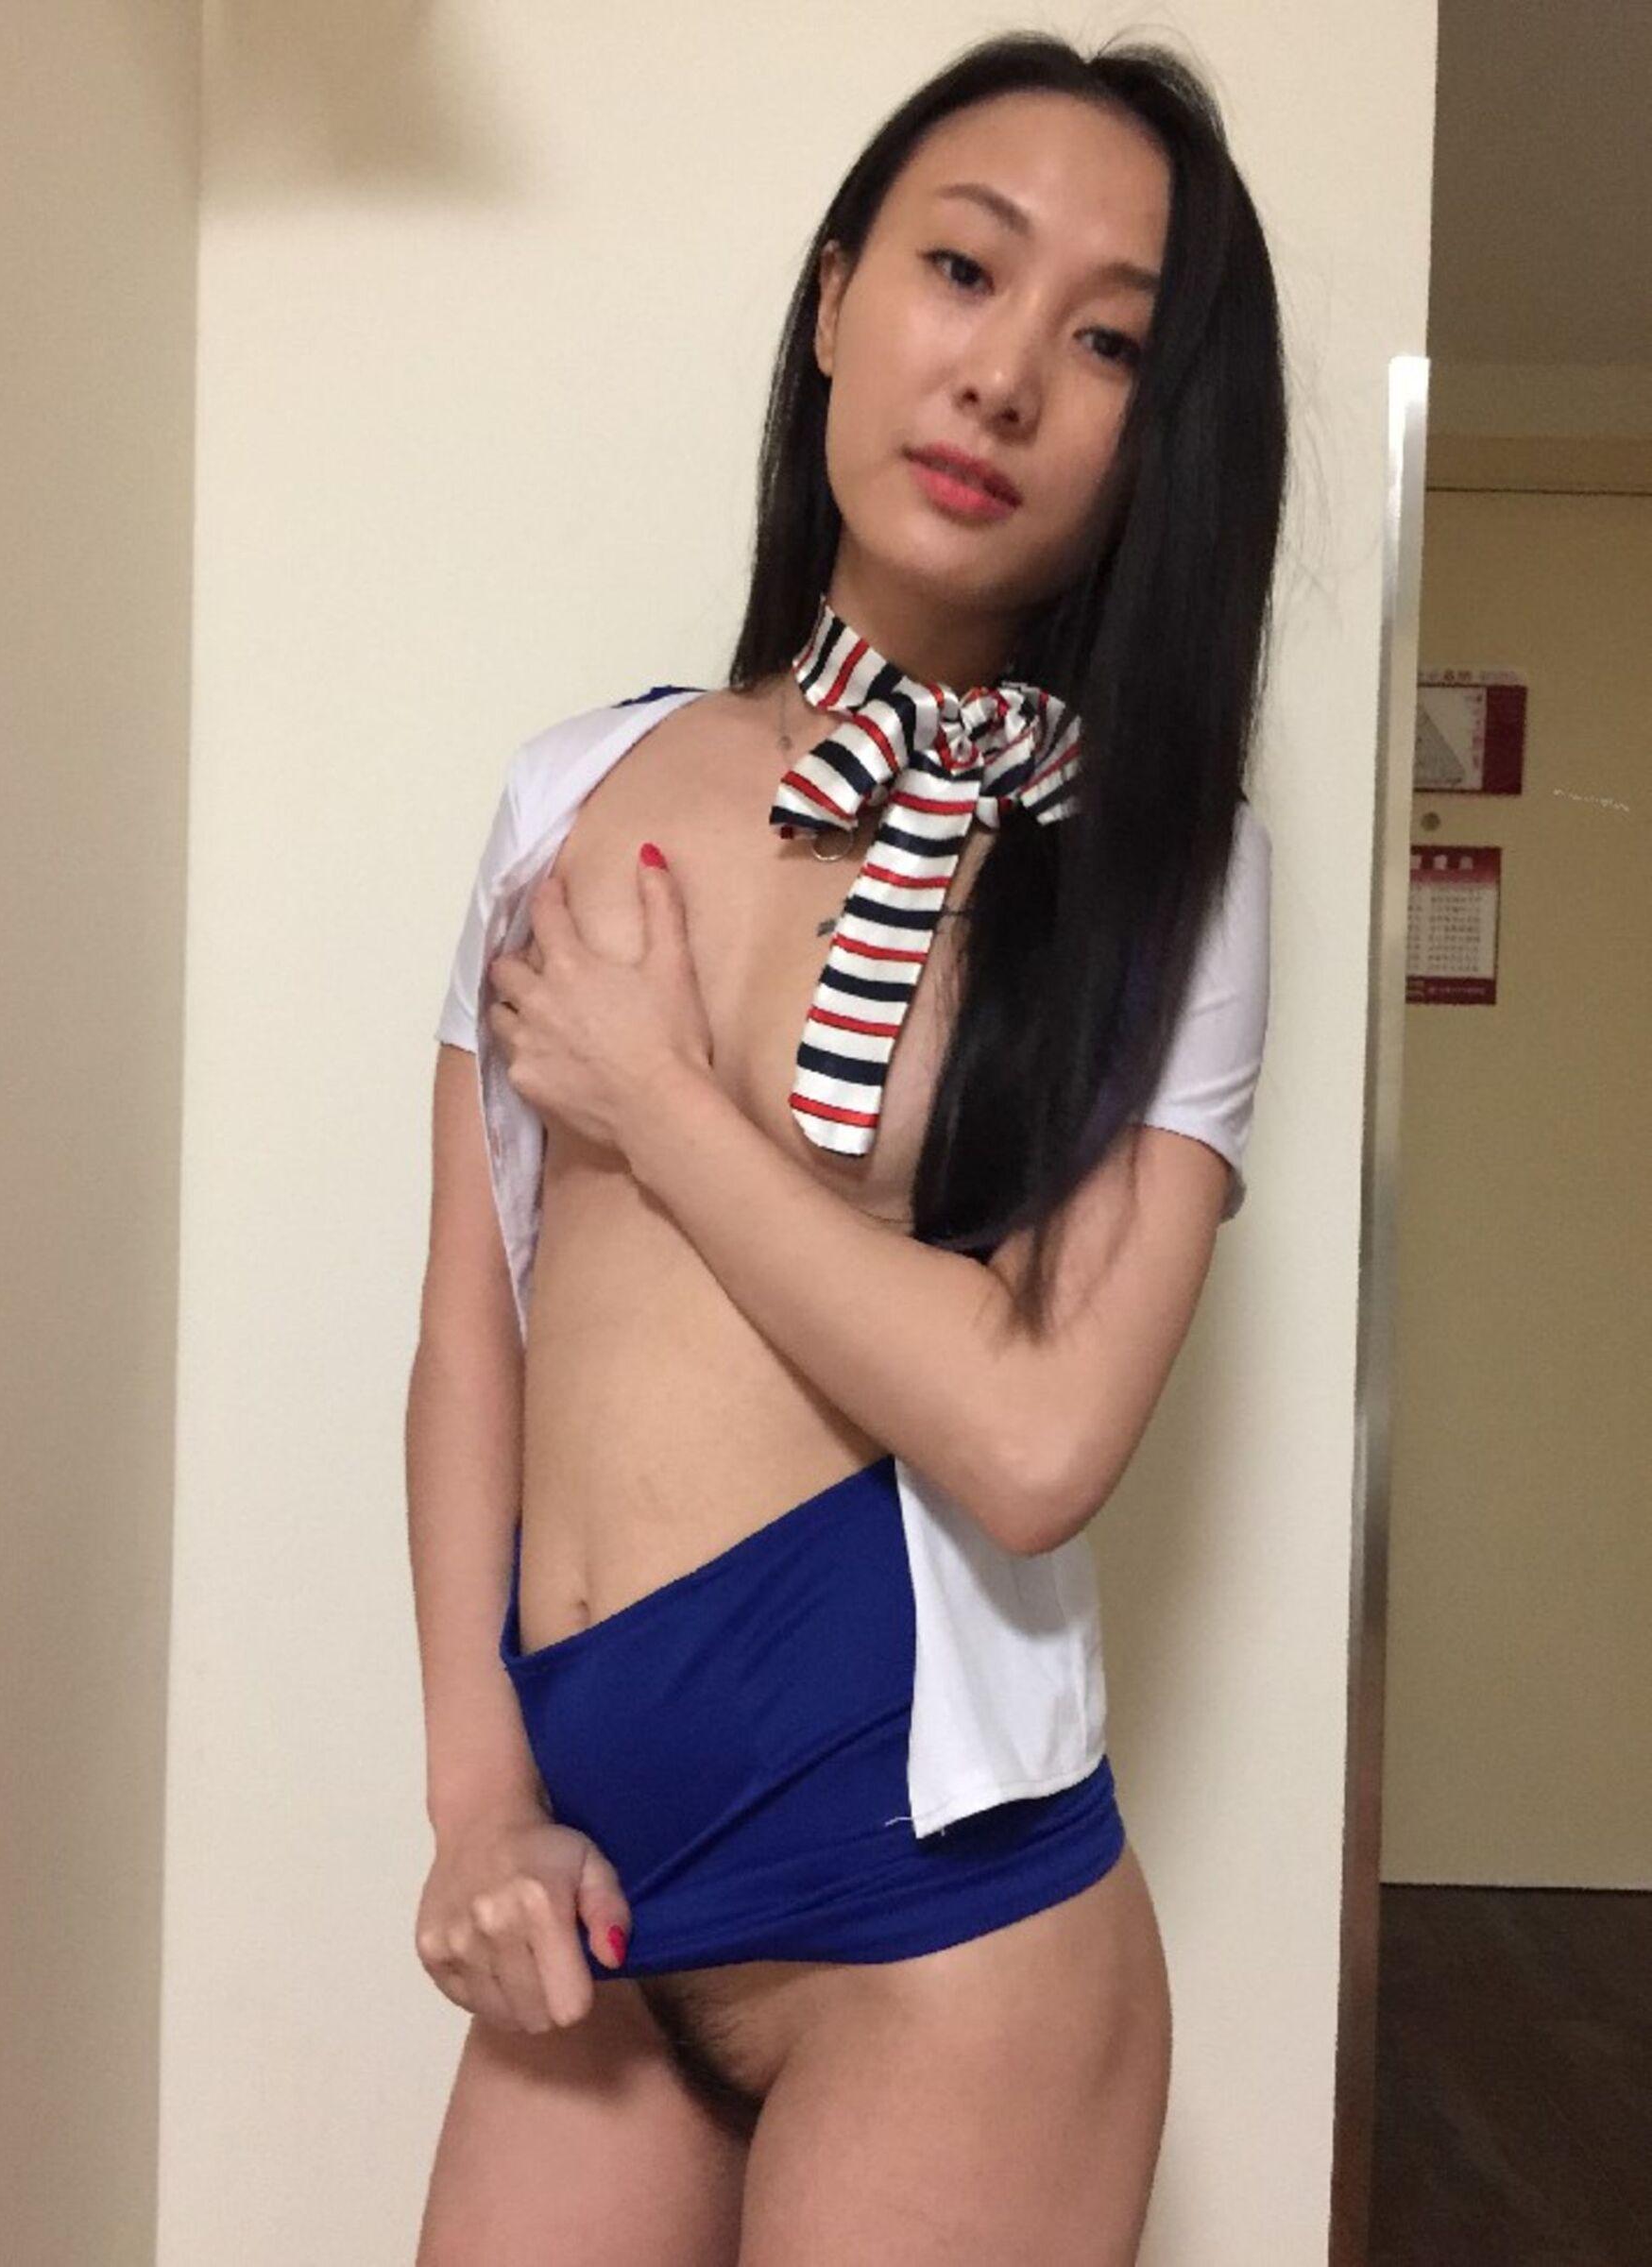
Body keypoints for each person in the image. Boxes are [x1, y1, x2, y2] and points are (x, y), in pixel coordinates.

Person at [410, 26, 1284, 2265]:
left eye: (1108, 342)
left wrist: (659, 1104)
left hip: (939, 1923)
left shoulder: (1168, 872)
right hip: (596, 1887)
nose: (1001, 377)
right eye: (961, 271)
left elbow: (1038, 1439)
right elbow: (473, 1334)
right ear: (833, 302)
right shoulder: (569, 788)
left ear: (1161, 437)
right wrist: (477, 1798)